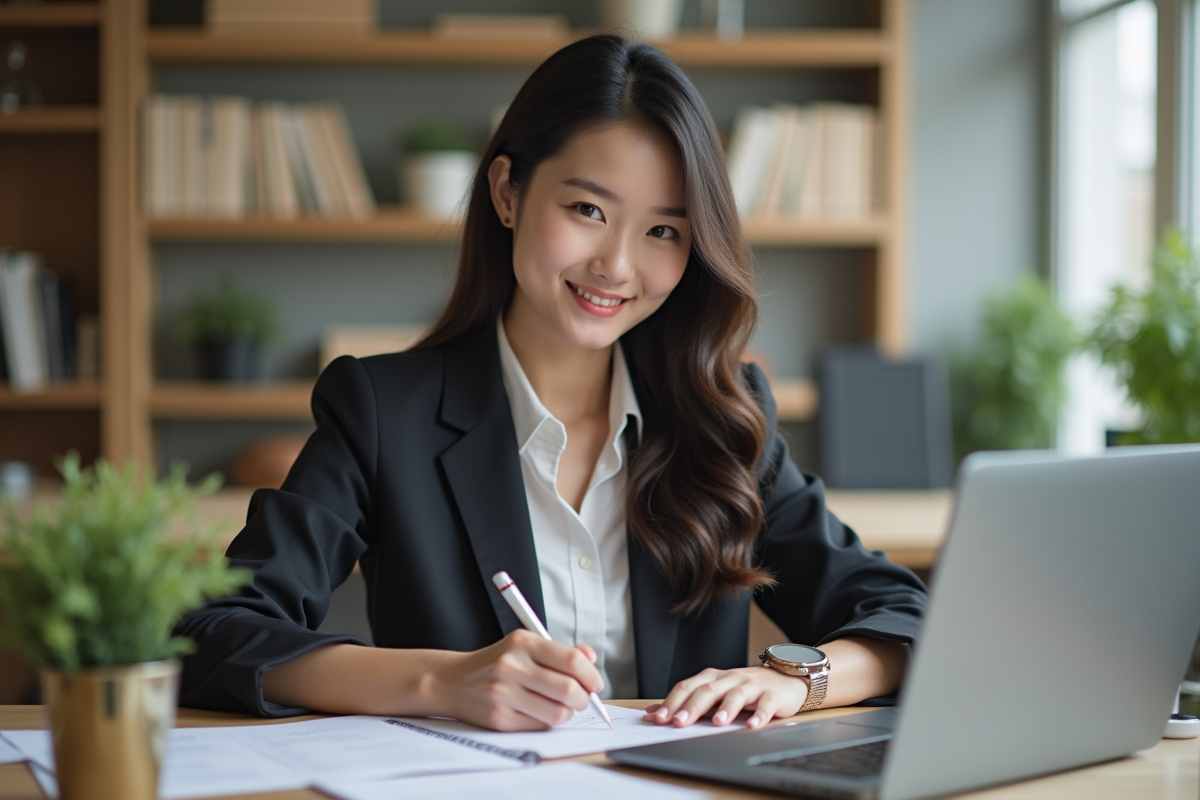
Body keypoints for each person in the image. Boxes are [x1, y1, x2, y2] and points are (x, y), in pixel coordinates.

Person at [175, 34, 927, 733]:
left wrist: (799, 682)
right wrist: (441, 683)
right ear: (507, 192)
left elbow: (904, 614)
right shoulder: (382, 411)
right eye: (587, 209)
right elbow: (213, 633)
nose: (618, 266)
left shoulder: (722, 419)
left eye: (663, 230)